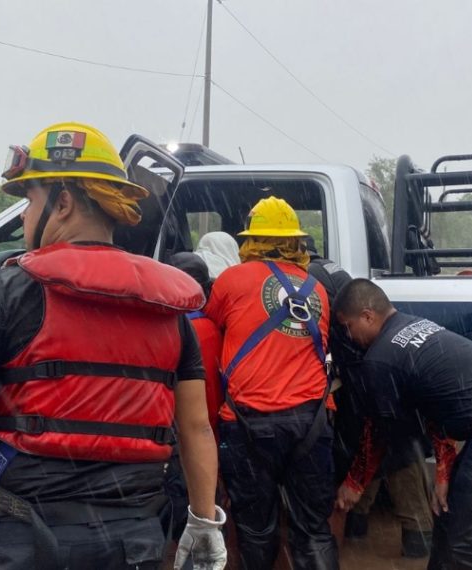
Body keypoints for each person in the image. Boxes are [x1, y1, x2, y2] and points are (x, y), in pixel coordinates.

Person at [0, 123, 226, 570]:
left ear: (65, 202)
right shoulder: (167, 306)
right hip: (135, 543)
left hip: (28, 541)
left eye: (30, 200)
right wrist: (204, 520)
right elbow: (196, 430)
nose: (23, 216)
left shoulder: (6, 290)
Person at [334, 279, 472, 570]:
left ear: (367, 316)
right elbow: (436, 407)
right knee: (449, 528)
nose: (348, 337)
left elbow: (379, 433)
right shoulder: (415, 325)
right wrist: (443, 472)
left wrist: (354, 483)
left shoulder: (380, 359)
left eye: (348, 326)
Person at [204, 197, 338, 569]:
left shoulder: (231, 280)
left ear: (251, 241)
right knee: (313, 529)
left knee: (256, 528)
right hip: (311, 423)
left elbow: (213, 328)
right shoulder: (317, 289)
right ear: (295, 241)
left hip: (250, 425)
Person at [303, 236, 434, 555]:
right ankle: (372, 542)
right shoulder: (331, 271)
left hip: (368, 384)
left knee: (383, 451)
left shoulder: (308, 280)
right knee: (376, 451)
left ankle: (407, 546)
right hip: (375, 385)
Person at [163, 252, 226, 544]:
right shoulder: (218, 328)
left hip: (179, 442)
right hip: (215, 438)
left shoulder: (171, 331)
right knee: (207, 514)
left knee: (177, 521)